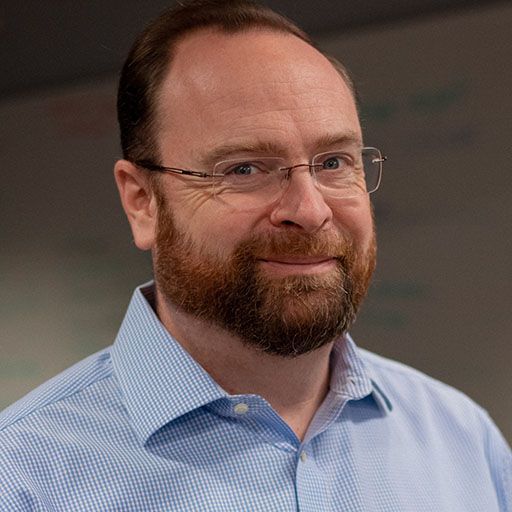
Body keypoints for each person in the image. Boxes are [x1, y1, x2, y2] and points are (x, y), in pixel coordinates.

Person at [0, 0, 510, 510]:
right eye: (244, 169)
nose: (310, 211)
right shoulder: (23, 477)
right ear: (142, 202)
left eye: (334, 162)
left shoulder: (463, 440)